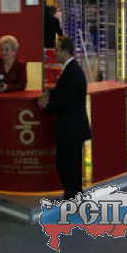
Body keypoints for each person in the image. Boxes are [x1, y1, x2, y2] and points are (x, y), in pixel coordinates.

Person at [37, 36, 91, 200]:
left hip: (72, 130)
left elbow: (66, 102)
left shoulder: (73, 72)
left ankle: (73, 200)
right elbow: (62, 91)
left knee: (68, 167)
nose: (54, 53)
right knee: (68, 167)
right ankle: (73, 198)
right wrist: (49, 94)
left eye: (57, 50)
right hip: (71, 130)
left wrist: (46, 106)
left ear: (65, 51)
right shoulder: (70, 69)